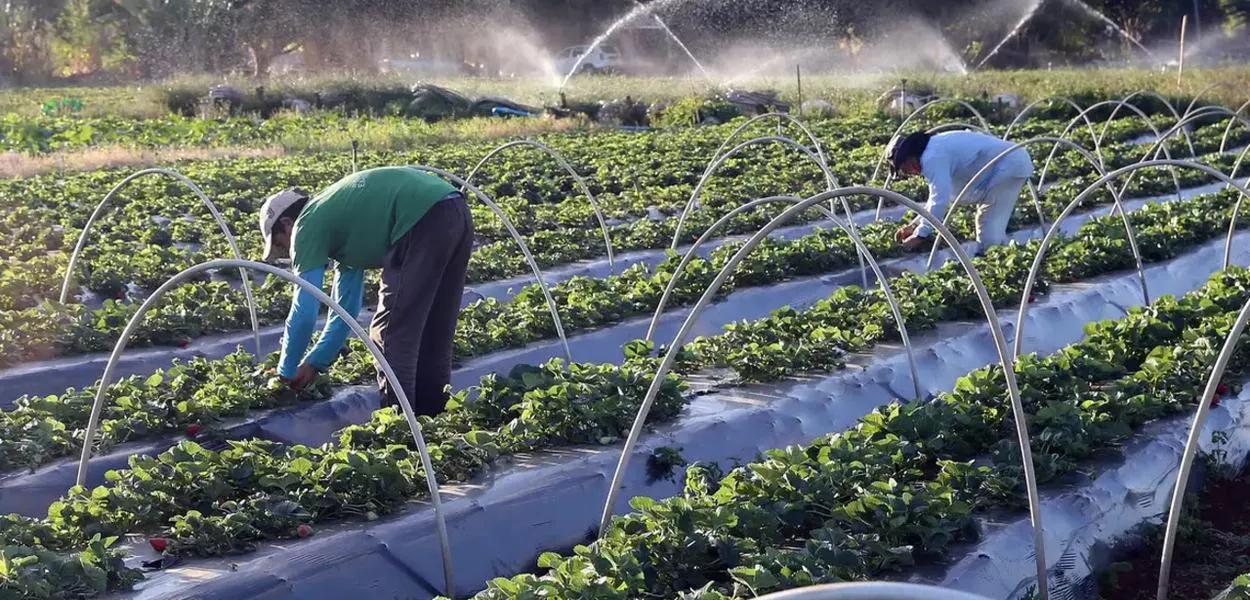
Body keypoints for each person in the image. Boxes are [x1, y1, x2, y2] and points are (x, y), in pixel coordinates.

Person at [258, 166, 474, 416]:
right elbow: (345, 312)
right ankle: (432, 420)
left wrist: (285, 372)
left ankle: (401, 427)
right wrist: (314, 362)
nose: (287, 252)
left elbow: (305, 309)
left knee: (389, 333)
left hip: (420, 217)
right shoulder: (338, 222)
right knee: (434, 328)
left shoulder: (307, 225)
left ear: (287, 224)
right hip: (454, 208)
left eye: (280, 244)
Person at [886, 130, 1034, 254]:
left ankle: (995, 263)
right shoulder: (934, 148)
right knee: (990, 222)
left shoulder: (932, 157)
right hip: (1006, 165)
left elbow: (940, 200)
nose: (909, 174)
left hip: (1009, 165)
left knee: (988, 224)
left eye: (904, 169)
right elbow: (935, 200)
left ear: (909, 158)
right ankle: (999, 256)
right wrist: (914, 226)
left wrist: (920, 235)